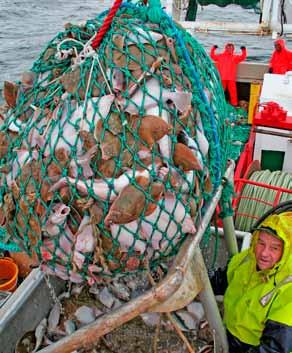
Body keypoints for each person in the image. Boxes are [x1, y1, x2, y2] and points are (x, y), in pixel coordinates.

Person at [210, 211, 292, 353]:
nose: (264, 253)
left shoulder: (288, 290)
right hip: (229, 338)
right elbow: (219, 282)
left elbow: (274, 348)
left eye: (274, 248)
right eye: (261, 243)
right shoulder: (246, 260)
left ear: (287, 251)